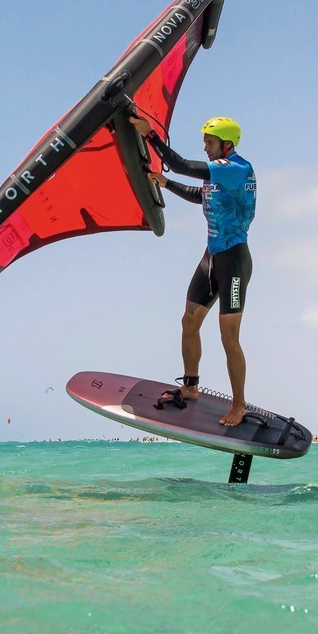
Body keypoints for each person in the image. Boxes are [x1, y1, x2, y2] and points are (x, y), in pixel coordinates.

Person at [131, 114, 257, 426]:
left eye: (209, 142)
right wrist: (166, 184)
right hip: (211, 257)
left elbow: (183, 164)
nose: (205, 147)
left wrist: (152, 137)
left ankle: (239, 404)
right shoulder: (218, 176)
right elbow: (200, 195)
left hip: (234, 261)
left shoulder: (237, 168)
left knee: (228, 336)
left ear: (226, 145)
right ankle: (190, 388)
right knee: (189, 322)